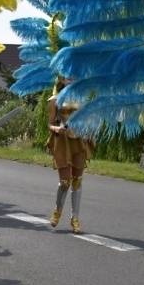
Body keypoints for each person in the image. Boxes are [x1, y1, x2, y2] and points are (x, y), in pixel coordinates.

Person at [46, 78, 94, 234]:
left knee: (77, 181)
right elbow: (50, 123)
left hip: (79, 139)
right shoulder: (54, 100)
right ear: (61, 79)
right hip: (63, 140)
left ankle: (75, 218)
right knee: (65, 181)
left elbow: (88, 119)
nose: (72, 80)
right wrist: (56, 129)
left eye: (74, 76)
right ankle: (58, 210)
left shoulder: (83, 98)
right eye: (68, 77)